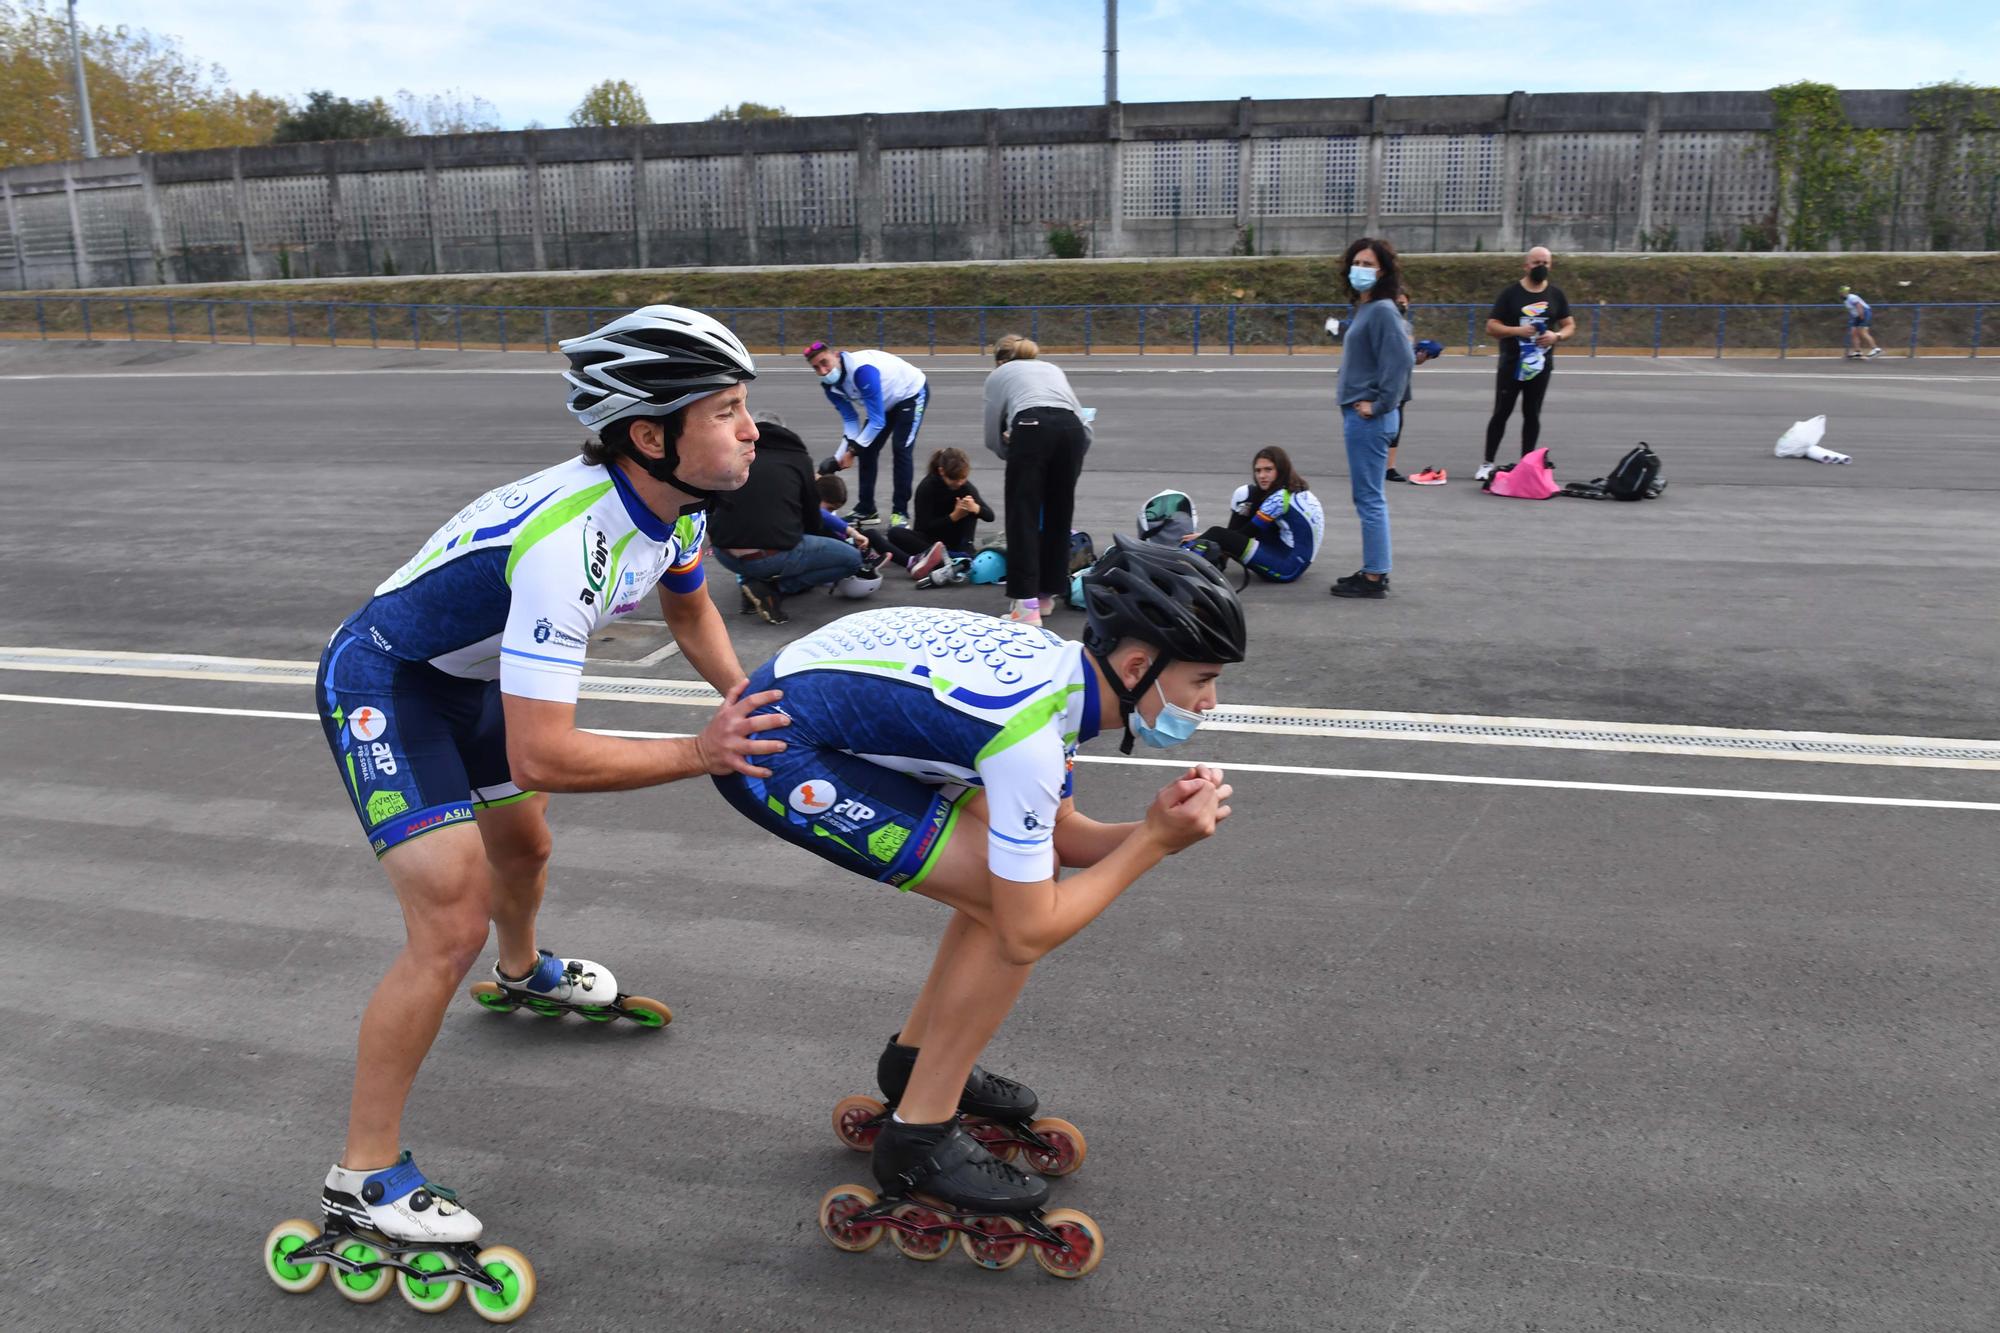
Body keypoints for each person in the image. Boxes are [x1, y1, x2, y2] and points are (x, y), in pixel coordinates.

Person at [296, 305, 788, 1285]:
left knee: (526, 848)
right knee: (447, 923)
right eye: (728, 409)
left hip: (465, 679)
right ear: (652, 435)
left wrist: (744, 698)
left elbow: (690, 609)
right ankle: (361, 1177)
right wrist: (704, 749)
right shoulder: (570, 545)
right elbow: (549, 753)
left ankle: (521, 971)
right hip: (387, 682)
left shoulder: (674, 503)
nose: (751, 430)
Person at [711, 536, 1242, 1246]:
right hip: (776, 750)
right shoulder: (1030, 735)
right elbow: (1029, 931)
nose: (1209, 701)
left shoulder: (1063, 678)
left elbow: (1059, 835)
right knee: (1011, 907)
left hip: (819, 707)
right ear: (1139, 667)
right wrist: (1151, 844)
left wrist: (1155, 825)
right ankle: (919, 1136)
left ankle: (916, 1060)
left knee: (1013, 875)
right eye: (1202, 679)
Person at [709, 416, 865, 625]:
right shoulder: (797, 459)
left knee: (762, 550)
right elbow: (812, 517)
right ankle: (775, 588)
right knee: (853, 560)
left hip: (724, 553)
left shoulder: (728, 454)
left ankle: (753, 582)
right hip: (770, 556)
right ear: (783, 432)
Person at [982, 334, 1091, 626]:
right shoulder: (1052, 369)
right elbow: (1082, 421)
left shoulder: (998, 375)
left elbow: (991, 435)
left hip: (1031, 428)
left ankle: (1025, 606)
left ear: (999, 361)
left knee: (1023, 517)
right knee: (1059, 516)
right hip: (1072, 432)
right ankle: (1046, 596)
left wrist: (1012, 452)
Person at [1330, 237, 1414, 600]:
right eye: (1356, 263)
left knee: (1369, 498)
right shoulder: (1366, 308)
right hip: (1360, 415)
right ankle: (1373, 568)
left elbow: (1401, 360)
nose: (1360, 270)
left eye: (1368, 265)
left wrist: (1379, 405)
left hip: (1368, 419)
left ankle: (1375, 576)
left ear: (1383, 272)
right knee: (1367, 496)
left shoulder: (1381, 309)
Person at [805, 340, 930, 527]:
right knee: (867, 450)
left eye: (825, 362)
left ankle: (900, 513)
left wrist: (851, 452)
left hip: (910, 394)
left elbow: (877, 421)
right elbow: (850, 421)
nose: (823, 371)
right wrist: (837, 459)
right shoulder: (829, 385)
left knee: (901, 449)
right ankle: (867, 509)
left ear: (836, 355)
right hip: (884, 402)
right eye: (816, 367)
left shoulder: (862, 371)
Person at [1479, 245, 1576, 482]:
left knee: (1532, 414)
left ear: (1550, 266)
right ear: (1526, 265)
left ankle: (1527, 464)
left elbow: (1569, 324)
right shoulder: (1511, 294)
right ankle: (1487, 463)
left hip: (1540, 366)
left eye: (1545, 263)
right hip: (1512, 364)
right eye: (1536, 263)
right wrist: (1517, 331)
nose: (1540, 267)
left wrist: (1556, 336)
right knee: (1501, 412)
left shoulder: (1556, 294)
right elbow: (1491, 326)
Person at [1185, 447, 1325, 583]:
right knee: (1247, 493)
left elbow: (1244, 533)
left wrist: (1207, 537)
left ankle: (1178, 562)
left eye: (1268, 470)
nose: (1262, 476)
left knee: (1217, 533)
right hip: (1290, 552)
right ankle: (1220, 559)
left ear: (1281, 470)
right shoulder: (1294, 490)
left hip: (1286, 568)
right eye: (1258, 471)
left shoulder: (1279, 499)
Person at [881, 447, 995, 583]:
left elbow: (990, 516)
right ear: (942, 472)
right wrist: (953, 517)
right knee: (895, 533)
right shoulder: (927, 487)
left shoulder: (966, 488)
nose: (959, 483)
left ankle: (962, 553)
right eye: (954, 479)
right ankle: (947, 558)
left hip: (958, 541)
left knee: (970, 508)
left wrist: (975, 508)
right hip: (932, 541)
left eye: (963, 478)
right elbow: (922, 527)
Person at [1384, 291, 1442, 484]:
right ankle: (1374, 464)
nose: (1401, 305)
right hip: (1384, 381)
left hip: (1402, 383)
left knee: (1396, 426)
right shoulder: (1382, 324)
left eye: (1404, 302)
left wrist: (1421, 357)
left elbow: (1409, 360)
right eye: (1397, 302)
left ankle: (1389, 468)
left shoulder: (1407, 327)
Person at [1840, 286, 1882, 359]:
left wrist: (1861, 316)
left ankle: (1876, 349)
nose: (1844, 293)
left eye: (1845, 291)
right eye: (1842, 292)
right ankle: (1857, 352)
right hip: (1856, 316)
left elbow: (1859, 306)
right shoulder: (1845, 300)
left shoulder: (1852, 297)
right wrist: (1855, 318)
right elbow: (1852, 310)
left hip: (1864, 313)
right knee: (1853, 333)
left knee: (1863, 332)